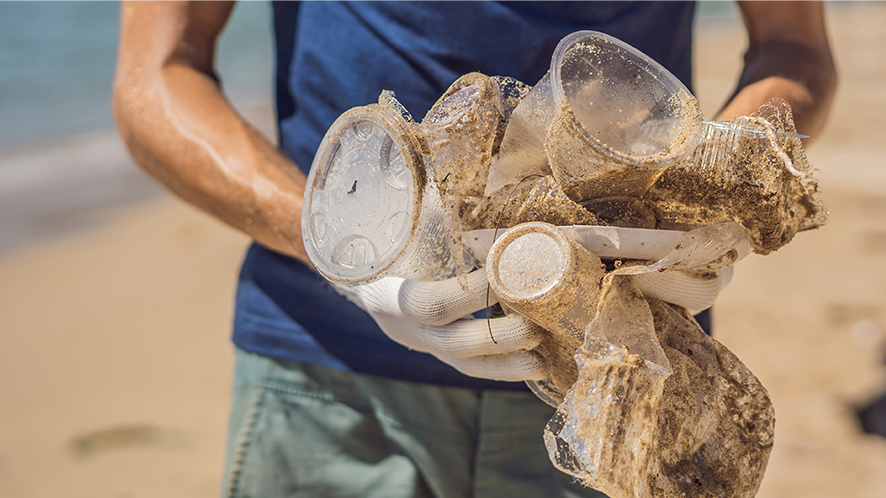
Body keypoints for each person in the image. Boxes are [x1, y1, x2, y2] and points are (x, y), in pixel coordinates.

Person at [113, 2, 836, 497]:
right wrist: (349, 257)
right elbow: (156, 77)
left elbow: (794, 46)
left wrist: (715, 192)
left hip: (626, 366)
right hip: (328, 386)